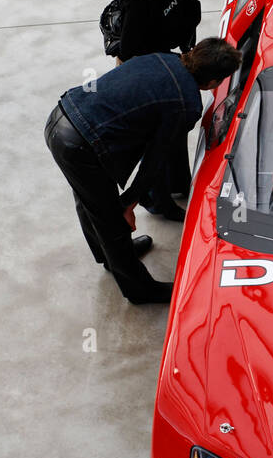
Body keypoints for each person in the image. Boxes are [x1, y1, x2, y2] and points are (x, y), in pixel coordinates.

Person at [45, 39, 241, 304]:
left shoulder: (161, 57)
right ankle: (139, 289)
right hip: (81, 144)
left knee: (90, 200)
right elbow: (156, 159)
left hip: (61, 116)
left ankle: (110, 256)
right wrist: (128, 202)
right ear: (214, 82)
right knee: (111, 218)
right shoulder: (186, 103)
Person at [110, 0, 202, 219]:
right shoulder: (137, 3)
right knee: (158, 137)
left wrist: (188, 53)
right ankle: (157, 200)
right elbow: (129, 53)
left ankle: (178, 183)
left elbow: (187, 10)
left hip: (169, 58)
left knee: (177, 126)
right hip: (146, 70)